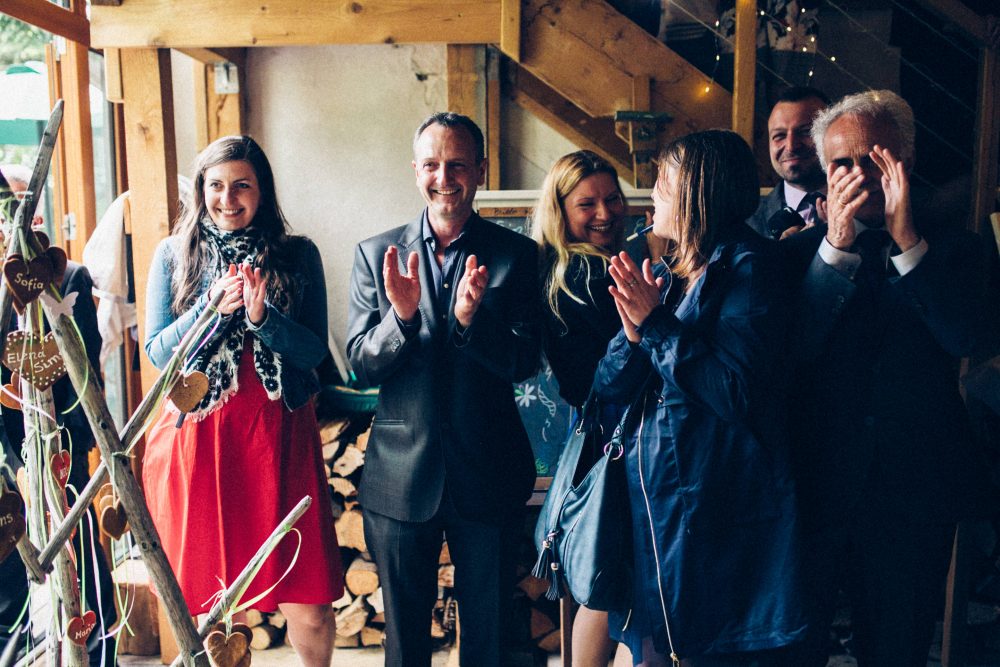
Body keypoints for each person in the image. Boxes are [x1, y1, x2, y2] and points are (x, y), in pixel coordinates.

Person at [782, 89, 993, 667]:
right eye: (840, 165)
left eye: (871, 158)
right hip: (814, 487)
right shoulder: (791, 259)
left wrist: (907, 243)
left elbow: (968, 340)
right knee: (797, 646)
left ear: (904, 159)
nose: (856, 176)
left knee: (897, 647)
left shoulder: (958, 249)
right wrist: (835, 251)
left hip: (915, 493)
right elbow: (791, 355)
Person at [593, 130, 806, 666]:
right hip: (658, 503)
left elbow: (736, 393)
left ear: (697, 191)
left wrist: (657, 326)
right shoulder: (673, 271)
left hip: (714, 510)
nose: (653, 194)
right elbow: (608, 386)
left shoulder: (752, 269)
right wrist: (637, 331)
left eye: (664, 182)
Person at [346, 112, 540, 666]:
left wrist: (469, 323)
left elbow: (524, 361)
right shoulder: (373, 253)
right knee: (405, 645)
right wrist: (401, 318)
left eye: (457, 164)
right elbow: (362, 364)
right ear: (415, 171)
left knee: (490, 639)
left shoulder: (516, 255)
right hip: (401, 477)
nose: (444, 177)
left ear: (480, 170)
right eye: (431, 164)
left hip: (490, 470)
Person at [142, 136, 342, 667]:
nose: (227, 198)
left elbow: (313, 350)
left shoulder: (299, 255)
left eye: (241, 186)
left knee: (311, 601)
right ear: (200, 191)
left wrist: (262, 320)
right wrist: (210, 310)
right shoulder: (173, 254)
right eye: (216, 186)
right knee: (204, 604)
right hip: (199, 444)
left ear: (262, 191)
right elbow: (160, 352)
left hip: (280, 437)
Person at [0, 164, 117, 667]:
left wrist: (43, 460)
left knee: (83, 578)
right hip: (6, 464)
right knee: (9, 596)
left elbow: (84, 380)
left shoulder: (64, 278)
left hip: (59, 454)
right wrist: (13, 466)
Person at [530, 150, 629, 667]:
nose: (604, 213)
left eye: (612, 198)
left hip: (592, 434)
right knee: (609, 582)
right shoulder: (589, 275)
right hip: (619, 436)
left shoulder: (560, 267)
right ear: (560, 210)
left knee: (599, 575)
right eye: (586, 203)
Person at [746, 86, 830, 240]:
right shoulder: (747, 220)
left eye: (806, 132)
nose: (791, 146)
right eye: (780, 135)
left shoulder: (868, 208)